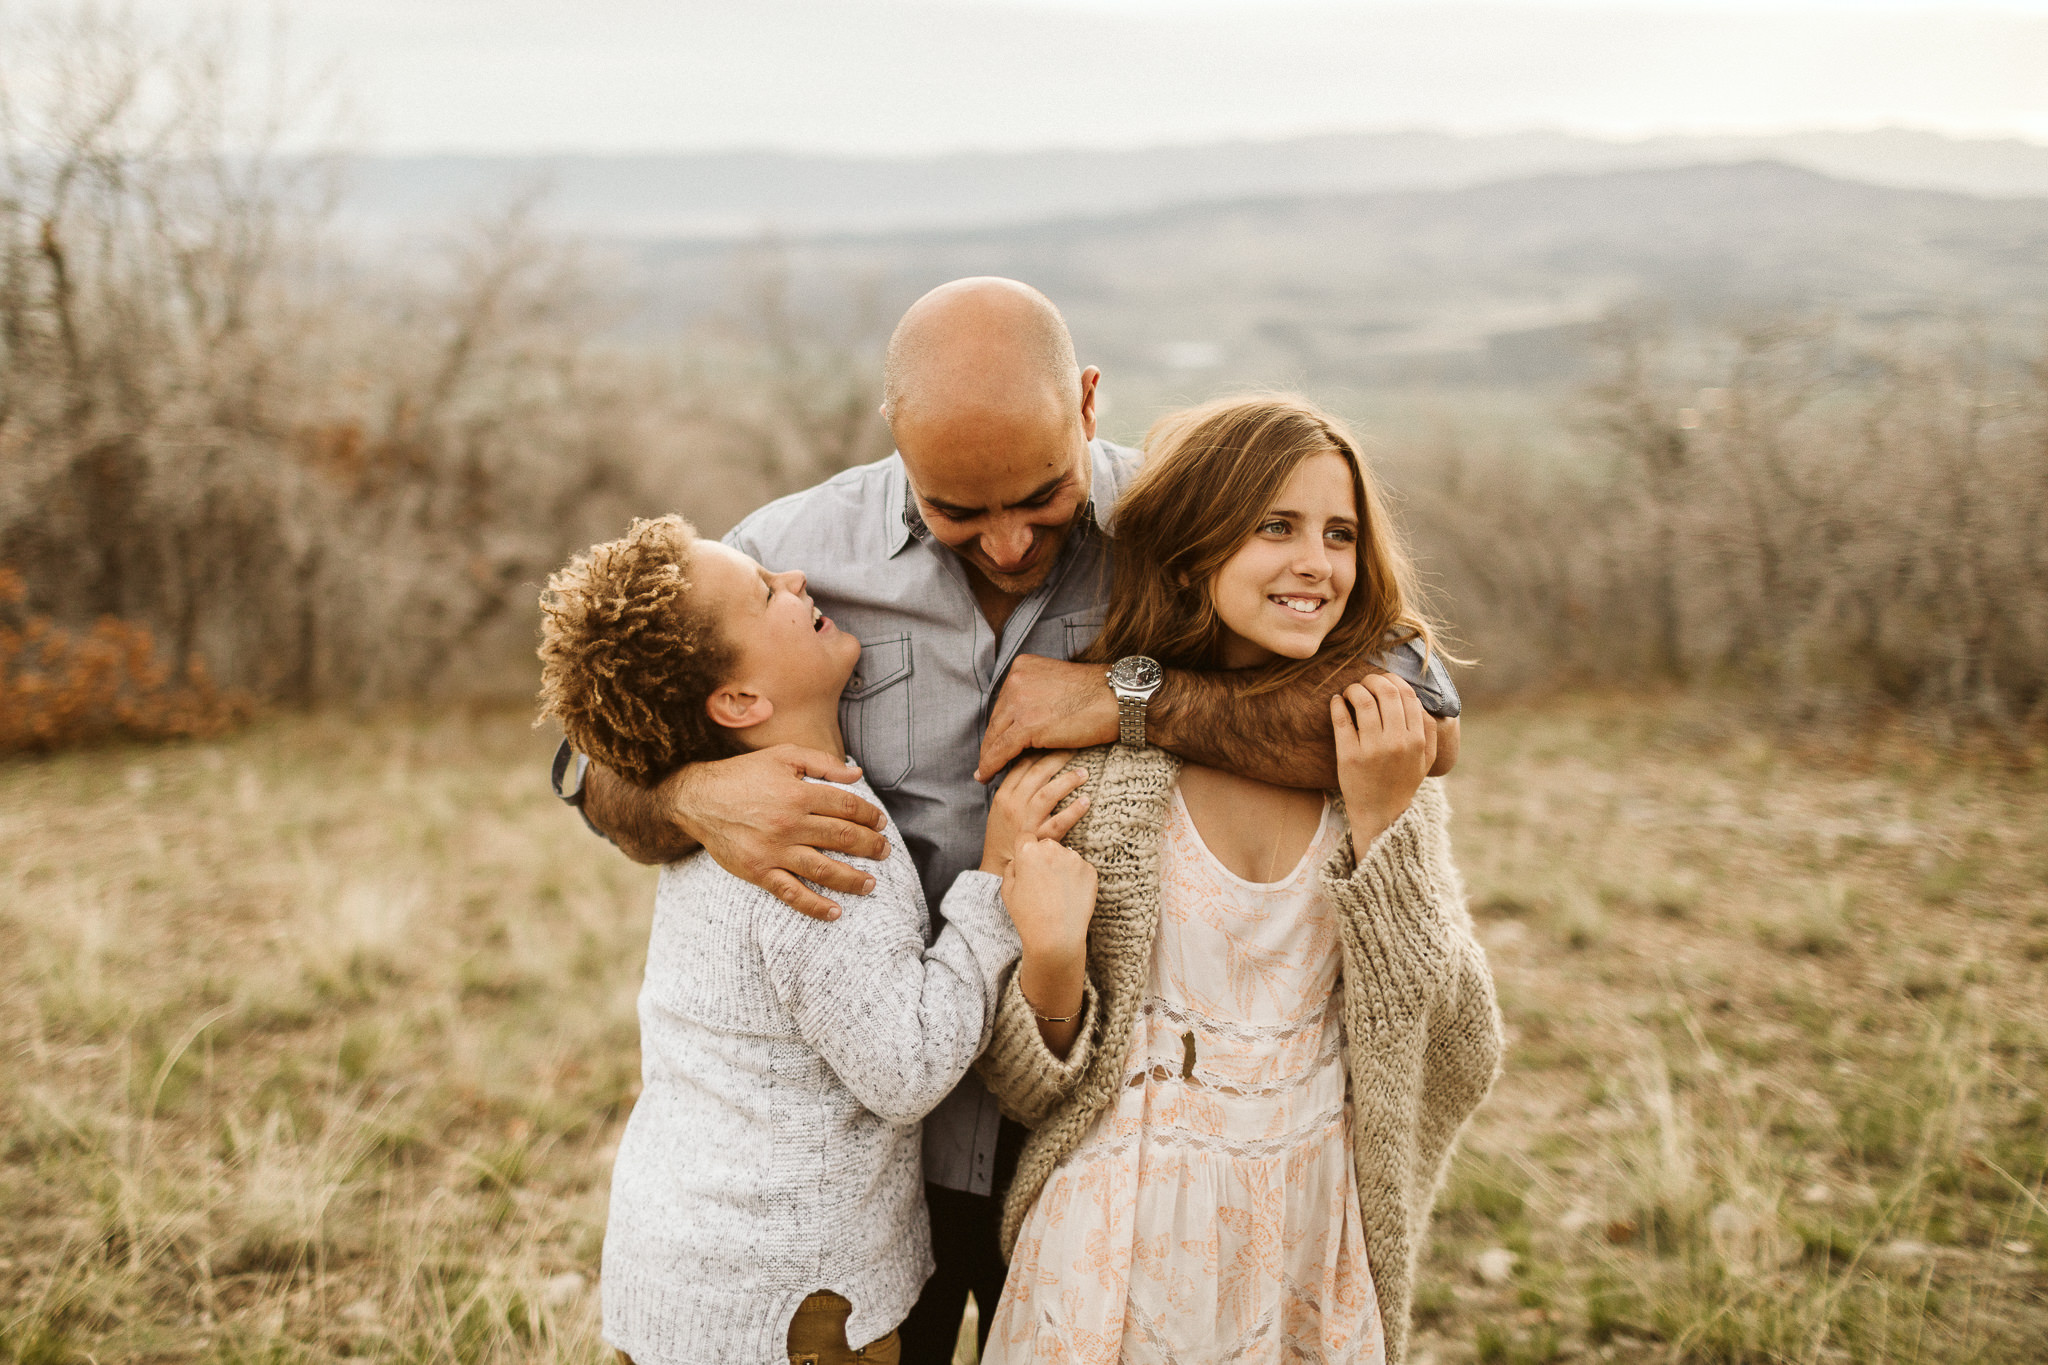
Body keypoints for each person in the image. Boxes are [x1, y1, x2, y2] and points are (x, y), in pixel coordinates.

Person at [553, 278, 1462, 1360]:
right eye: (957, 512)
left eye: (1038, 499)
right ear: (896, 437)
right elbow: (588, 756)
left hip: (1092, 1125)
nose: (1006, 545)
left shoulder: (1176, 525)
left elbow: (1422, 717)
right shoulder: (787, 559)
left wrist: (1130, 698)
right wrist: (688, 794)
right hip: (886, 1159)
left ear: (1085, 404)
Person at [974, 396, 1505, 1365]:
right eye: (1276, 527)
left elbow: (1454, 1032)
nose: (1316, 562)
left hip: (1307, 1228)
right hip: (1114, 1234)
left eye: (1339, 534)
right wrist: (1049, 962)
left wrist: (1388, 828)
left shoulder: (1369, 770)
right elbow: (1016, 1084)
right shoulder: (1098, 780)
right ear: (1191, 551)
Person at [535, 515, 1095, 1365]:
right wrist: (992, 877)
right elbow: (907, 1066)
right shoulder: (816, 841)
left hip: (681, 1272)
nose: (795, 580)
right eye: (767, 593)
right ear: (741, 702)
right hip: (789, 1307)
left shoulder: (729, 820)